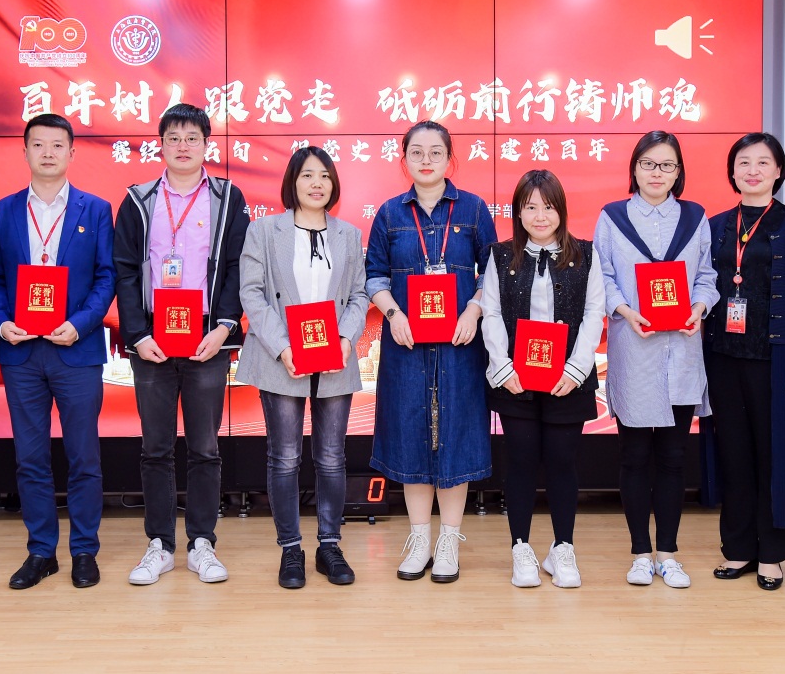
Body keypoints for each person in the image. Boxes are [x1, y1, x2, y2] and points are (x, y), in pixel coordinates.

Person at [114, 103, 249, 585]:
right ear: (161, 145)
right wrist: (137, 334)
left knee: (205, 448)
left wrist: (224, 328)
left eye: (192, 137)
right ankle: (159, 545)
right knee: (155, 447)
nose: (183, 146)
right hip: (152, 337)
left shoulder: (228, 198)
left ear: (207, 144)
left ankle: (201, 543)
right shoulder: (138, 199)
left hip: (207, 337)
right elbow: (125, 271)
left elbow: (237, 266)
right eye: (173, 138)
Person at [0, 113, 116, 590]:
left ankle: (84, 550)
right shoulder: (3, 210)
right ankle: (41, 551)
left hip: (75, 350)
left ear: (72, 153)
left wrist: (79, 325)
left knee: (84, 457)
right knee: (30, 458)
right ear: (24, 152)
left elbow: (106, 277)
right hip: (22, 353)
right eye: (38, 145)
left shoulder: (95, 210)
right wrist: (1, 323)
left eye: (58, 145)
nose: (48, 153)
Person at [365, 120, 498, 583]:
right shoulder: (389, 214)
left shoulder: (474, 209)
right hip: (406, 344)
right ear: (404, 159)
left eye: (435, 152)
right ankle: (420, 539)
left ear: (449, 158)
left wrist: (474, 311)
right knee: (410, 434)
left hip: (461, 343)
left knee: (456, 435)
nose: (426, 160)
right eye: (416, 152)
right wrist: (393, 314)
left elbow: (494, 273)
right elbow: (374, 275)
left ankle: (449, 542)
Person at [235, 147, 370, 588]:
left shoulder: (348, 234)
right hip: (281, 356)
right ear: (292, 182)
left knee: (331, 457)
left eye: (325, 176)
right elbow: (252, 292)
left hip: (335, 357)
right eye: (308, 175)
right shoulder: (263, 231)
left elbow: (359, 295)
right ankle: (290, 549)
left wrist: (346, 339)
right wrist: (282, 347)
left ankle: (329, 546)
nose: (317, 183)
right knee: (285, 456)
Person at [593, 130, 719, 590]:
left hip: (681, 351)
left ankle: (668, 553)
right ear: (635, 168)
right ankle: (640, 554)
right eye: (649, 164)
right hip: (634, 349)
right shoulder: (613, 217)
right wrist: (626, 311)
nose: (657, 173)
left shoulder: (695, 217)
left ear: (678, 171)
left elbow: (707, 275)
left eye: (667, 165)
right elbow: (602, 276)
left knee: (673, 457)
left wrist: (698, 308)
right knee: (634, 456)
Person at [703, 133, 785, 591]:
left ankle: (771, 554)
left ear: (778, 171)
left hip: (774, 360)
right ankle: (737, 549)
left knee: (773, 454)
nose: (752, 170)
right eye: (744, 163)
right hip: (722, 357)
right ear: (732, 172)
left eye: (763, 162)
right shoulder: (715, 225)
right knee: (733, 454)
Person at [481, 169, 605, 589]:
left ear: (561, 210)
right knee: (519, 462)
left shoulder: (586, 254)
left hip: (567, 379)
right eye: (530, 207)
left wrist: (577, 368)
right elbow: (491, 312)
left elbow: (594, 312)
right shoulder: (500, 256)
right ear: (517, 212)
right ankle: (521, 548)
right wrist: (502, 366)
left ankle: (562, 548)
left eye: (548, 207)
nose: (539, 216)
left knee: (562, 462)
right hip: (515, 378)